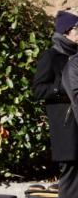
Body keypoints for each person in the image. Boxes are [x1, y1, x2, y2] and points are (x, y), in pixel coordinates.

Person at [40, 10, 78, 198]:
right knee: (70, 169)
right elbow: (38, 90)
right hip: (64, 122)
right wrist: (64, 88)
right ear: (66, 32)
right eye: (76, 30)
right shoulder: (52, 56)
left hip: (76, 119)